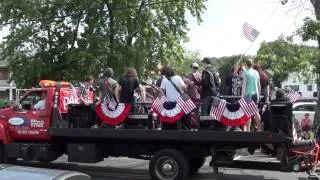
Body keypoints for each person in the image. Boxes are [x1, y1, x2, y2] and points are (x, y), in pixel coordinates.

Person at [241, 59, 262, 131]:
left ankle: (248, 130)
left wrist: (242, 96)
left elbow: (244, 85)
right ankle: (260, 129)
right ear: (252, 64)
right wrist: (259, 95)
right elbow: (259, 85)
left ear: (246, 64)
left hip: (248, 95)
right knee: (256, 112)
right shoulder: (256, 72)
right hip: (255, 94)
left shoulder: (245, 72)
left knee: (248, 113)